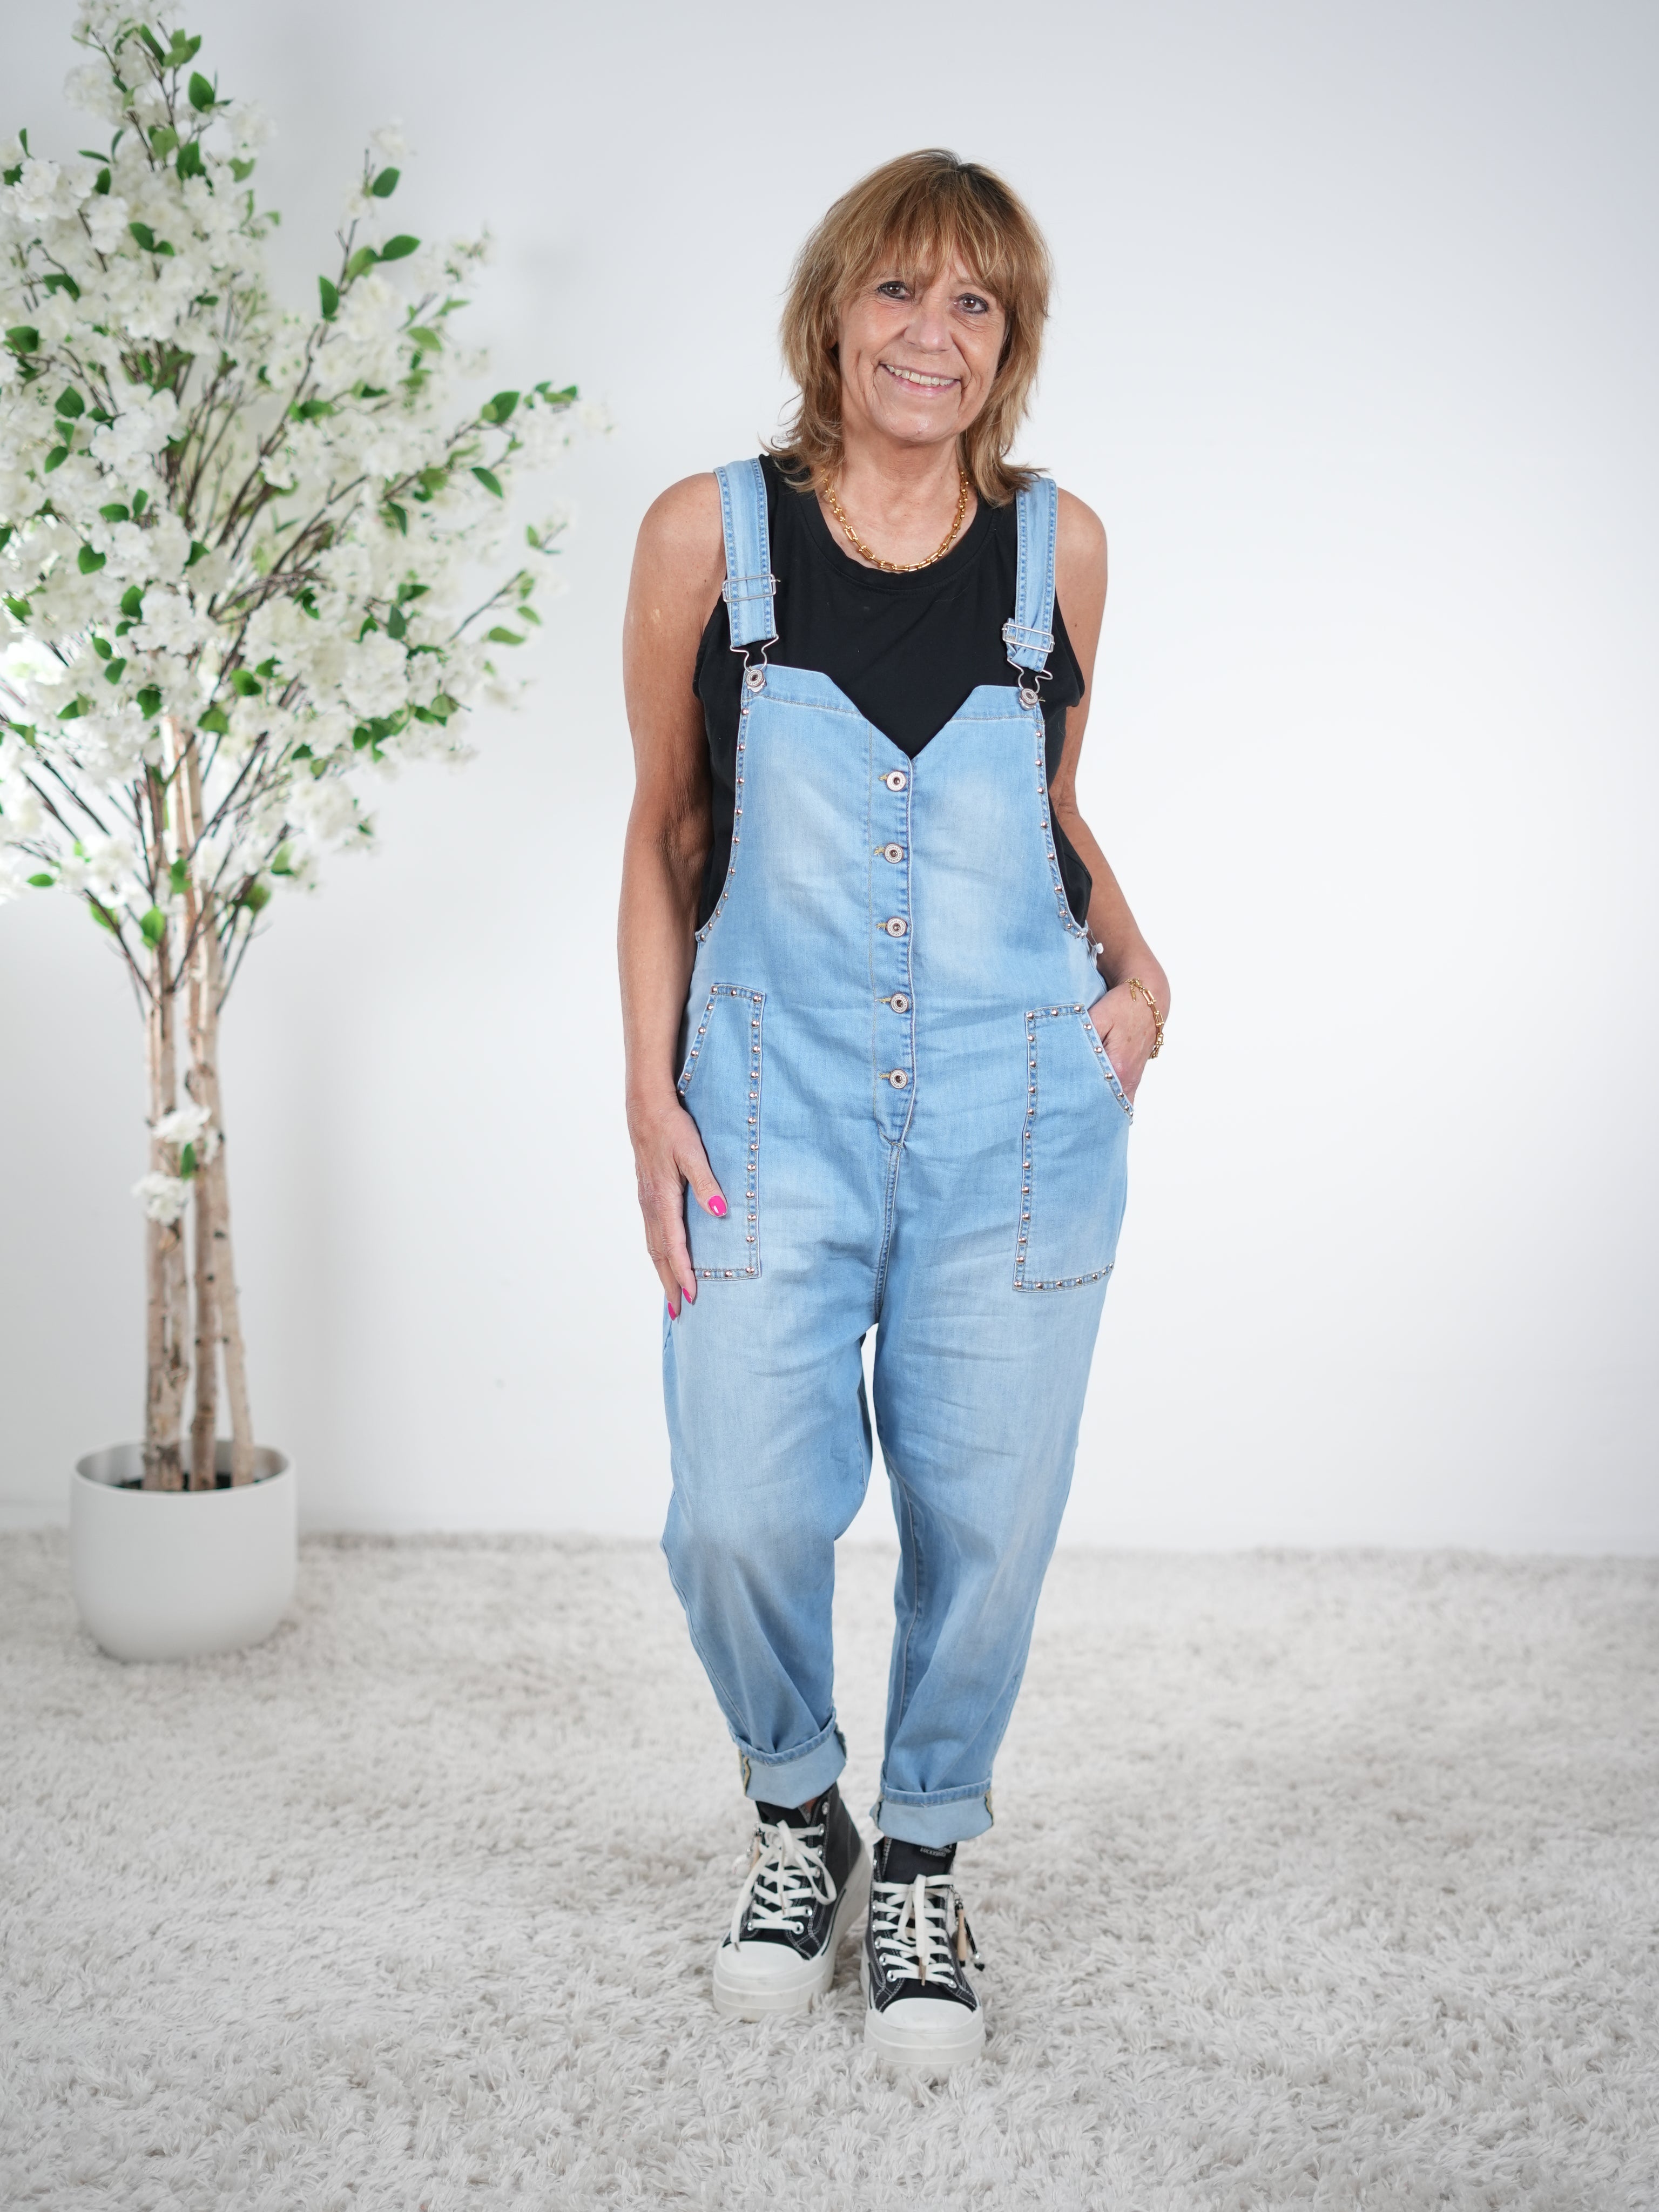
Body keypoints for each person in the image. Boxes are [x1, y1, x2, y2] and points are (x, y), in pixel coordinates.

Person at [618, 149, 1169, 2075]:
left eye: (976, 303)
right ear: (831, 313)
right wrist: (646, 1097)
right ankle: (801, 1812)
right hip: (771, 1096)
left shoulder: (1058, 549)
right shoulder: (707, 538)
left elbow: (1049, 808)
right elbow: (667, 829)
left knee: (988, 1516)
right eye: (899, 291)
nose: (934, 334)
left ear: (1010, 342)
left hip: (1020, 1107)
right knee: (738, 1508)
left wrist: (1142, 974)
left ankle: (924, 1851)